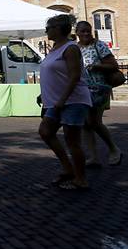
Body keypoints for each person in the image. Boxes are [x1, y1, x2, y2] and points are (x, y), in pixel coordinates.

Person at [38, 14, 92, 190]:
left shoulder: (70, 49)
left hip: (72, 101)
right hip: (55, 101)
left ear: (59, 29)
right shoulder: (54, 48)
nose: (46, 31)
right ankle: (68, 169)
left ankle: (81, 179)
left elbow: (75, 75)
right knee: (45, 132)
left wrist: (62, 99)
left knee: (72, 140)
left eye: (49, 28)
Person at [76, 20, 122, 166]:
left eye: (88, 31)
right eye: (82, 31)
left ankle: (114, 149)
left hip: (99, 89)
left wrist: (97, 66)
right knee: (85, 124)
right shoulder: (75, 48)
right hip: (83, 90)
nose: (85, 34)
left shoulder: (98, 45)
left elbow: (113, 65)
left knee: (94, 122)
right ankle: (93, 157)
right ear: (76, 32)